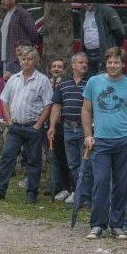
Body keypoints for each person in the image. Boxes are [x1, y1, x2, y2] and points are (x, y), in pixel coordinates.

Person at [82, 47, 127, 240]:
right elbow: (86, 110)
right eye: (109, 62)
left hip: (123, 141)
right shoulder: (94, 82)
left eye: (116, 62)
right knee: (100, 182)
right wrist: (88, 135)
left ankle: (116, 225)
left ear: (123, 64)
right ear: (105, 63)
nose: (112, 65)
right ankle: (97, 224)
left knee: (121, 184)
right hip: (100, 141)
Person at [0, 47, 51, 204]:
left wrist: (39, 124)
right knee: (7, 157)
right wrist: (8, 120)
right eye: (23, 59)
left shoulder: (43, 80)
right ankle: (0, 190)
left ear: (35, 61)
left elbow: (48, 105)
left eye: (29, 59)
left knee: (34, 161)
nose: (26, 62)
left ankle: (31, 194)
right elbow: (4, 100)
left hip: (33, 127)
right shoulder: (14, 79)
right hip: (15, 127)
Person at [49, 52, 90, 206]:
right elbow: (57, 106)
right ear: (73, 65)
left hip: (84, 128)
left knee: (85, 163)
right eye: (80, 62)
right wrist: (52, 126)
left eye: (85, 63)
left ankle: (84, 195)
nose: (84, 65)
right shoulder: (63, 83)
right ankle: (77, 191)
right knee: (72, 164)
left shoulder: (91, 82)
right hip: (67, 128)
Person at [44, 58, 73, 202]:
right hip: (48, 125)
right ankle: (60, 186)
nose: (56, 69)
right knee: (56, 158)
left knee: (68, 159)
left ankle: (71, 188)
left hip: (64, 125)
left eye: (59, 66)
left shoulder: (67, 83)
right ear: (50, 69)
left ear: (64, 69)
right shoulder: (45, 82)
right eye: (54, 66)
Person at [0, 0, 37, 75]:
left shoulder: (22, 13)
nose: (2, 1)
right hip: (5, 57)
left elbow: (33, 33)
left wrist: (25, 49)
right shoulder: (5, 15)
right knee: (10, 85)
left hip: (18, 58)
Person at [80, 3, 125, 74]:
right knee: (91, 81)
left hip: (103, 54)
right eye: (82, 2)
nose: (85, 4)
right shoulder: (83, 12)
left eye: (88, 2)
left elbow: (119, 32)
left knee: (103, 80)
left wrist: (112, 46)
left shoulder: (107, 10)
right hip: (88, 54)